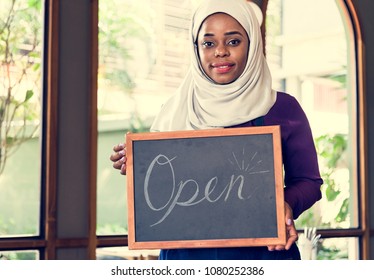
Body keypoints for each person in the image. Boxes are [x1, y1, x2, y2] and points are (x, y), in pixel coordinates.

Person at [110, 0, 323, 260]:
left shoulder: (282, 108)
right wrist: (136, 165)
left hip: (264, 255)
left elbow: (309, 182)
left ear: (253, 44)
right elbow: (163, 190)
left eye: (233, 41)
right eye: (208, 43)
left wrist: (286, 205)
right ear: (196, 48)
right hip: (185, 260)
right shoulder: (174, 110)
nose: (220, 52)